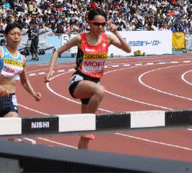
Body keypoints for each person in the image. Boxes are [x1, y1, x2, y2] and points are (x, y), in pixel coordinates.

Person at [44, 8, 131, 150]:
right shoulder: (80, 39)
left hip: (93, 84)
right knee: (100, 91)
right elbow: (57, 52)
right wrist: (50, 71)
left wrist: (116, 33)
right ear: (89, 23)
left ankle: (82, 159)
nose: (100, 27)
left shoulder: (107, 38)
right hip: (79, 81)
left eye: (103, 24)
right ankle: (89, 125)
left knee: (85, 138)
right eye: (96, 24)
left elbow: (128, 50)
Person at [0, 22, 41, 118]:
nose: (16, 37)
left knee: (14, 122)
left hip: (10, 99)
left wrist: (33, 93)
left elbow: (24, 81)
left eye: (19, 34)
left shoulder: (22, 58)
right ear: (6, 36)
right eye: (13, 34)